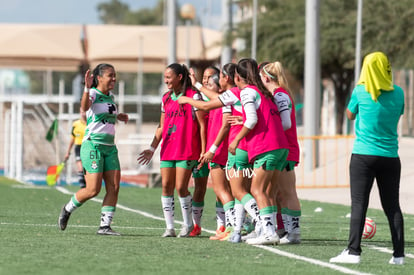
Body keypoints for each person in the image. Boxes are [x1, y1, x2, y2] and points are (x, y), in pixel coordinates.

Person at [330, 52, 405, 264]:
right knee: (393, 207)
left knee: (359, 204)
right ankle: (398, 255)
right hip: (391, 156)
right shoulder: (399, 93)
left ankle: (353, 251)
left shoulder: (360, 91)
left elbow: (349, 114)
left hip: (363, 155)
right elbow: (398, 113)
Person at [179, 63, 259, 243]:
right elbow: (213, 98)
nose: (208, 82)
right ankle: (237, 227)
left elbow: (219, 121)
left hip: (225, 148)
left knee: (224, 190)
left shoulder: (229, 96)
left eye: (216, 77)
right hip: (235, 147)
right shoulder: (235, 95)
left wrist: (187, 99)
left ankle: (245, 224)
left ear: (228, 78)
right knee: (239, 190)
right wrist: (197, 84)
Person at [58, 63, 129, 235]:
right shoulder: (92, 93)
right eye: (110, 75)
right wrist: (86, 89)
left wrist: (118, 115)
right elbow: (85, 108)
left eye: (114, 75)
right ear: (99, 78)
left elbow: (103, 113)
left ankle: (104, 227)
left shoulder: (110, 96)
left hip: (110, 147)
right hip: (93, 145)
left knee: (114, 187)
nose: (114, 78)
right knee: (93, 190)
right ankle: (67, 209)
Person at [137, 63, 207, 238]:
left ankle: (188, 224)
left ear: (179, 77)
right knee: (166, 186)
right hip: (168, 149)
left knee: (181, 187)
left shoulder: (193, 95)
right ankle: (169, 227)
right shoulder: (166, 98)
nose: (166, 80)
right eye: (165, 77)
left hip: (187, 149)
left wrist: (204, 151)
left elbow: (202, 125)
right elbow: (162, 126)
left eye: (169, 77)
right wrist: (152, 148)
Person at [228, 58, 289, 245]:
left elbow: (252, 120)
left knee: (256, 189)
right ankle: (265, 230)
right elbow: (282, 122)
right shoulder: (266, 92)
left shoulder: (247, 92)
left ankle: (268, 232)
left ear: (237, 77)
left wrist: (237, 139)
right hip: (280, 146)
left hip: (266, 146)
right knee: (266, 191)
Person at [260, 61, 301, 244]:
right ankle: (283, 229)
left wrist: (266, 128)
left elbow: (286, 124)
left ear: (266, 78)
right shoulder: (278, 94)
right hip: (283, 148)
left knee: (287, 192)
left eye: (260, 78)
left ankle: (293, 233)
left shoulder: (280, 95)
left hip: (286, 148)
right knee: (275, 192)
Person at [189, 66, 221, 237]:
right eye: (205, 76)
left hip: (216, 149)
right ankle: (196, 225)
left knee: (220, 189)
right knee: (199, 188)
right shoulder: (198, 96)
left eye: (211, 77)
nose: (207, 80)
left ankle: (222, 225)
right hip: (202, 150)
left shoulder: (220, 98)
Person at [64, 108, 87, 188]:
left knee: (87, 168)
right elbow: (72, 139)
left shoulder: (91, 124)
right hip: (78, 147)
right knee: (79, 165)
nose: (83, 114)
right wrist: (68, 152)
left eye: (85, 112)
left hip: (89, 147)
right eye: (82, 112)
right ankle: (82, 182)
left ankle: (86, 181)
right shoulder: (76, 124)